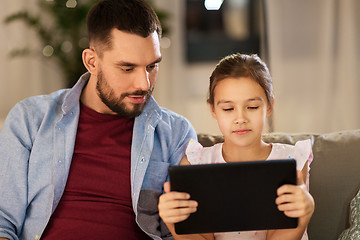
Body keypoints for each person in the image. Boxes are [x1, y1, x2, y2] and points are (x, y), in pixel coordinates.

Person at [0, 0, 196, 239]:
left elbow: (186, 231)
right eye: (127, 68)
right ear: (92, 61)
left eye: (152, 66)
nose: (144, 84)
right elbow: (3, 221)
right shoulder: (30, 120)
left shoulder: (176, 134)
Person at [158, 53, 315, 240]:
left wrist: (304, 214)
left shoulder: (292, 161)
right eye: (228, 109)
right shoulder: (197, 164)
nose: (240, 119)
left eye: (252, 107)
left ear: (269, 106)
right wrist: (173, 223)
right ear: (213, 109)